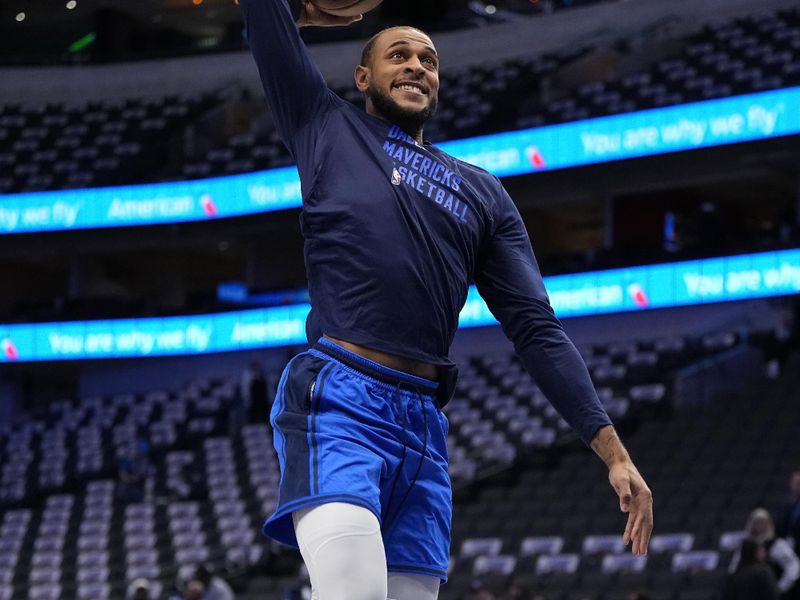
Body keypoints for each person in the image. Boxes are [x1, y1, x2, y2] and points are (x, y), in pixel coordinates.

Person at [238, 1, 654, 598]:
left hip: (424, 428)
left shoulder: (483, 192)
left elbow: (536, 329)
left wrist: (613, 452)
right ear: (363, 78)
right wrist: (298, 14)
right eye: (399, 55)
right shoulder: (325, 125)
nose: (416, 66)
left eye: (428, 60)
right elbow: (263, 19)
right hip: (340, 402)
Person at [730, 508, 800, 597]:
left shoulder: (776, 544)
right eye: (756, 522)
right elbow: (734, 566)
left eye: (762, 522)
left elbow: (793, 565)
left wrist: (781, 586)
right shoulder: (745, 545)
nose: (759, 526)